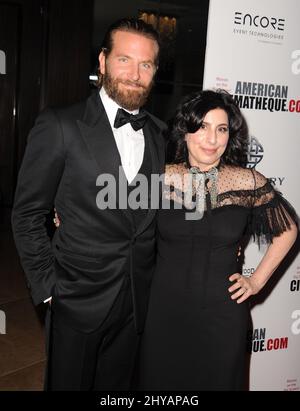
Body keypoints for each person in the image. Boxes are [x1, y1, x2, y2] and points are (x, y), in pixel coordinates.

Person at [11, 18, 166, 391]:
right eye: (124, 60)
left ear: (155, 72)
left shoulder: (160, 134)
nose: (134, 73)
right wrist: (48, 288)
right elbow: (28, 214)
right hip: (75, 299)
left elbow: (152, 212)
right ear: (102, 60)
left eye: (145, 64)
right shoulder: (60, 125)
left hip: (135, 303)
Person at [135, 89, 298, 391]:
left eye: (221, 129)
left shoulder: (248, 181)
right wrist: (64, 213)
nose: (212, 139)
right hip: (164, 312)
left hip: (223, 317)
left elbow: (288, 230)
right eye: (203, 127)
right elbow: (115, 221)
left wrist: (257, 281)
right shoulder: (159, 177)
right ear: (185, 131)